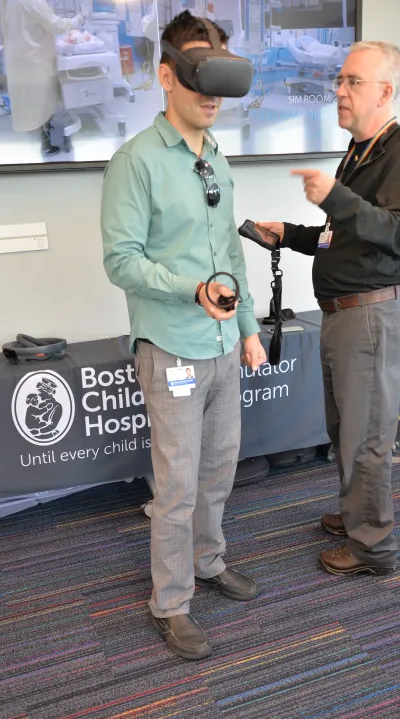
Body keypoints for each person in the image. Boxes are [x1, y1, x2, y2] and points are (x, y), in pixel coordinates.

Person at [101, 11, 266, 660]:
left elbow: (231, 251)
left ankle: (208, 561)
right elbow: (121, 261)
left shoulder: (215, 157)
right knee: (175, 489)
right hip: (171, 346)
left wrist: (248, 328)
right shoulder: (136, 162)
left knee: (219, 471)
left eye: (220, 77)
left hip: (224, 348)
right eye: (200, 74)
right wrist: (189, 289)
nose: (211, 93)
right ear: (167, 76)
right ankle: (170, 603)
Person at [260, 41, 400, 577]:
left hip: (369, 319)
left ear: (384, 91)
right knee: (346, 433)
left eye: (354, 81)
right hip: (342, 316)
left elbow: (397, 235)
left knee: (367, 439)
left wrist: (336, 196)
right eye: (340, 80)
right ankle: (357, 515)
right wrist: (291, 234)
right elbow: (342, 237)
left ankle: (372, 547)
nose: (339, 90)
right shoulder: (359, 152)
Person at [0, 0, 83, 155]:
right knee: (40, 98)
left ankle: (38, 129)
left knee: (28, 98)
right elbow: (55, 25)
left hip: (17, 56)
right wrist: (76, 21)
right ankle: (45, 143)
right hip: (34, 58)